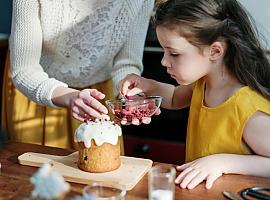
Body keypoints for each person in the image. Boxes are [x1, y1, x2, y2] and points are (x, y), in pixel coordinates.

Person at [118, 0, 270, 189]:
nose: (164, 61)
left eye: (174, 53)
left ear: (214, 51)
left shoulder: (248, 109)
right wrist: (146, 85)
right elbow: (173, 98)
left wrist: (223, 162)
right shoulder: (202, 85)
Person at [1, 0, 154, 152]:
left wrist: (129, 95)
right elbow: (24, 70)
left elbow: (127, 62)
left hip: (98, 99)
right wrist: (70, 96)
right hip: (39, 92)